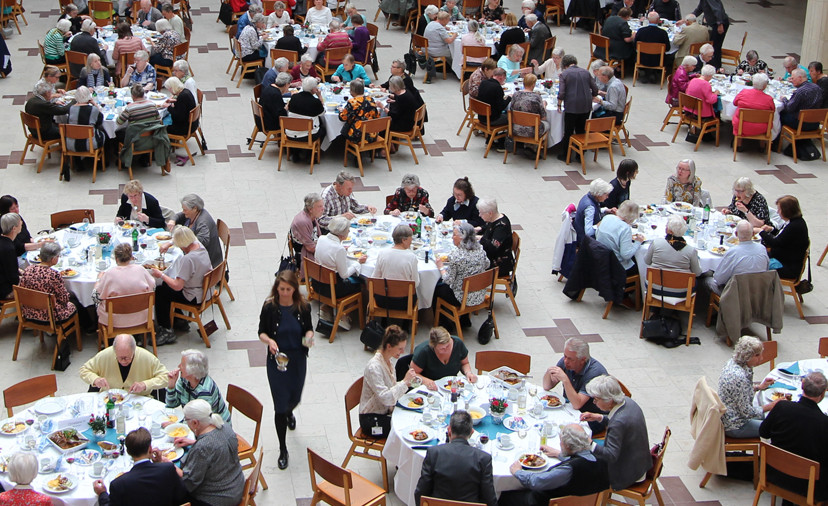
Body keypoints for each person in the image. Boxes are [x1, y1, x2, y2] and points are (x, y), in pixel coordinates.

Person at [258, 270, 314, 470]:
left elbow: (308, 327)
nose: (284, 293)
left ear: (294, 289)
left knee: (295, 396)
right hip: (278, 360)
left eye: (288, 289)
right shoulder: (269, 307)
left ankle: (290, 410)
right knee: (279, 405)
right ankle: (283, 448)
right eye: (281, 289)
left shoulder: (303, 306)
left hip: (297, 358)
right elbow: (262, 332)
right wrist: (270, 341)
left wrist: (309, 338)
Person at [154, 399, 244, 506]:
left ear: (195, 422)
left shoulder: (203, 447)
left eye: (186, 420)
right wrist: (193, 442)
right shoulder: (225, 426)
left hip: (218, 499)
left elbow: (188, 482)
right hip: (236, 484)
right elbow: (217, 445)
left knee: (165, 491)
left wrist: (168, 464)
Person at [499, 424, 610, 506]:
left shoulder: (568, 470)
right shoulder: (602, 461)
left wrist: (518, 471)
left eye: (561, 442)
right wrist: (559, 454)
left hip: (547, 503)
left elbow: (536, 482)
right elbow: (582, 461)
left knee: (503, 496)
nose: (560, 444)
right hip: (586, 503)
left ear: (568, 445)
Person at [759, 371, 828, 501]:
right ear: (823, 393)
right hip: (808, 487)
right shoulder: (824, 423)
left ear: (802, 386)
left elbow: (763, 432)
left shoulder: (782, 407)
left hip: (774, 474)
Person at [581, 375, 652, 491]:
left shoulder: (618, 423)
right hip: (639, 464)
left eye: (596, 399)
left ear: (609, 401)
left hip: (627, 473)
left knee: (581, 462)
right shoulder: (628, 402)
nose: (594, 402)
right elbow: (620, 422)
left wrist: (588, 443)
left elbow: (610, 455)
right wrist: (599, 417)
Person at [415, 410, 497, 506]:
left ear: (449, 430)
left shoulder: (434, 453)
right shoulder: (484, 459)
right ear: (471, 433)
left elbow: (420, 492)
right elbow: (490, 500)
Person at [93, 427, 188, 506]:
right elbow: (182, 496)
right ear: (150, 449)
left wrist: (102, 494)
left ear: (128, 452)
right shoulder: (168, 469)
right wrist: (159, 464)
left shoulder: (118, 484)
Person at [150, 226, 213, 343]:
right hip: (206, 291)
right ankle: (179, 319)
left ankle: (166, 330)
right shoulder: (199, 245)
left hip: (194, 296)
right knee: (166, 287)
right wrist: (169, 243)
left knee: (160, 291)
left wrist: (161, 275)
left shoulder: (188, 259)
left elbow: (177, 286)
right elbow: (184, 236)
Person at [360, 325, 418, 437]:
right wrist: (405, 382)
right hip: (371, 419)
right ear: (389, 346)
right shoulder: (374, 367)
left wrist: (408, 383)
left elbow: (392, 389)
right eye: (400, 348)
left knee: (414, 418)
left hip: (386, 412)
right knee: (406, 431)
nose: (402, 352)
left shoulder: (389, 362)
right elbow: (386, 398)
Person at [432, 222, 489, 330]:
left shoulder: (457, 256)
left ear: (462, 238)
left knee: (437, 288)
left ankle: (444, 324)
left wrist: (441, 268)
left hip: (463, 298)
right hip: (479, 293)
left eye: (454, 235)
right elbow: (487, 264)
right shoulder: (480, 249)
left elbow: (448, 280)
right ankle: (464, 320)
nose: (452, 237)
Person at [718, 336, 778, 438]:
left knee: (775, 418)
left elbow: (740, 393)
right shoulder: (738, 376)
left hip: (735, 416)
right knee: (777, 428)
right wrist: (770, 406)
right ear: (747, 356)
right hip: (736, 425)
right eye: (757, 355)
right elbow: (747, 412)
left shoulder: (734, 363)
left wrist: (759, 387)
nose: (761, 358)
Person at [92, 244, 157, 333]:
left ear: (116, 258)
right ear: (131, 257)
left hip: (115, 321)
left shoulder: (110, 274)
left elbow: (96, 297)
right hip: (141, 317)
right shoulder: (140, 270)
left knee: (98, 301)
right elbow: (152, 288)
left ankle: (95, 330)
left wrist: (98, 280)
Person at [543, 338, 609, 423]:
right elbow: (547, 386)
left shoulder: (594, 373)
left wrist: (565, 380)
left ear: (582, 360)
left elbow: (577, 404)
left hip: (591, 417)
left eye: (570, 359)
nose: (565, 361)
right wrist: (549, 372)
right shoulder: (566, 362)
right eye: (565, 356)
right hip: (569, 409)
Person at [315, 216, 365, 327]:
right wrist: (358, 263)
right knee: (359, 285)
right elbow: (344, 274)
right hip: (331, 288)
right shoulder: (339, 249)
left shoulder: (322, 238)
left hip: (317, 282)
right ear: (342, 234)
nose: (349, 232)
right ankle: (345, 314)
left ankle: (326, 307)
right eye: (348, 230)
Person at [80, 333, 168, 394]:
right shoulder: (105, 355)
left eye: (126, 358)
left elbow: (166, 377)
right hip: (109, 399)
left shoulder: (147, 357)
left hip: (138, 400)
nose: (123, 361)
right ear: (114, 351)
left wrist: (145, 384)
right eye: (120, 357)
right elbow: (84, 370)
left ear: (134, 350)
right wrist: (95, 379)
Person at [19, 241, 81, 325]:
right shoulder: (53, 275)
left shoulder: (28, 270)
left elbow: (22, 290)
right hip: (50, 316)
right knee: (77, 302)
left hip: (29, 312)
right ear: (53, 259)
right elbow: (64, 300)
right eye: (58, 256)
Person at [166, 349, 231, 423]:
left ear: (192, 370)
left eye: (182, 365)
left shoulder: (205, 392)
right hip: (194, 422)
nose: (179, 366)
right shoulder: (185, 379)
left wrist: (174, 424)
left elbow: (200, 424)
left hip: (216, 427)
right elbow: (172, 404)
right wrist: (171, 385)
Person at [705, 220, 769, 294]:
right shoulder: (762, 249)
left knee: (706, 280)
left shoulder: (733, 252)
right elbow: (766, 270)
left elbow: (719, 280)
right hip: (758, 292)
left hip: (736, 295)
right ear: (753, 234)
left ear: (736, 234)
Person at [557, 54, 599, 161]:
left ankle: (565, 155)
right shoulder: (585, 72)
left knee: (569, 131)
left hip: (571, 106)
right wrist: (593, 95)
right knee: (581, 130)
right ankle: (580, 155)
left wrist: (559, 104)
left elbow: (561, 92)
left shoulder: (564, 74)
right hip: (586, 105)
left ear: (564, 65)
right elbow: (595, 88)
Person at [759, 195, 809, 281]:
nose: (777, 212)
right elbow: (782, 236)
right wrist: (771, 229)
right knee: (757, 255)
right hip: (783, 258)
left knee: (753, 265)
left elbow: (775, 243)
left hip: (787, 266)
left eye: (779, 209)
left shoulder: (794, 226)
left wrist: (761, 232)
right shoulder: (794, 221)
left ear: (787, 211)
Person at [167, 194, 222, 268]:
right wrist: (173, 220)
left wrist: (178, 242)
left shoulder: (203, 222)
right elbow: (180, 215)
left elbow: (202, 241)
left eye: (185, 210)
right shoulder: (193, 214)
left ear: (195, 208)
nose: (183, 212)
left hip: (206, 263)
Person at [373, 224, 419, 308]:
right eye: (410, 238)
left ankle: (384, 319)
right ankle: (407, 321)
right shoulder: (411, 257)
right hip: (404, 302)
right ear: (404, 240)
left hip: (383, 300)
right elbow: (415, 283)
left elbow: (375, 278)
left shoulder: (382, 254)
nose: (411, 241)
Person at [596, 201, 644, 277]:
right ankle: (637, 287)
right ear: (632, 216)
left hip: (601, 260)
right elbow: (626, 255)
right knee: (641, 264)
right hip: (616, 267)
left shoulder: (607, 217)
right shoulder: (625, 228)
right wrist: (638, 242)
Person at [286, 77, 326, 159]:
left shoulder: (294, 98)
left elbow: (288, 108)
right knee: (323, 129)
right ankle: (310, 154)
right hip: (308, 136)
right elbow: (322, 113)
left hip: (290, 133)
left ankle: (295, 153)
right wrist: (319, 96)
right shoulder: (315, 102)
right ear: (313, 89)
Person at [731, 73, 774, 141]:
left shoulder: (743, 92)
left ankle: (739, 144)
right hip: (762, 128)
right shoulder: (769, 99)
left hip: (741, 126)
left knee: (737, 111)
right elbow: (773, 111)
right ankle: (762, 145)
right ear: (765, 86)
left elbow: (735, 103)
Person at [509, 73, 548, 144]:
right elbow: (543, 117)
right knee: (547, 124)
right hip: (532, 131)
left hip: (515, 128)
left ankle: (527, 146)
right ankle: (534, 146)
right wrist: (544, 105)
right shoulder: (536, 97)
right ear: (533, 84)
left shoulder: (516, 94)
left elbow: (512, 109)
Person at [478, 198, 513, 277]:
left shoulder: (501, 227)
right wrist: (479, 228)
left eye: (481, 213)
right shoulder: (495, 219)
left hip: (499, 264)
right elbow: (488, 228)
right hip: (493, 256)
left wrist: (480, 239)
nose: (479, 215)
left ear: (490, 213)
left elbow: (492, 248)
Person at [67, 85, 106, 155]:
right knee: (104, 133)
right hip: (90, 144)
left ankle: (76, 161)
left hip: (72, 144)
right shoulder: (93, 110)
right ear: (89, 97)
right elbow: (100, 121)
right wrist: (94, 104)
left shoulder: (71, 109)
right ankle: (101, 162)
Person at [338, 79, 380, 143]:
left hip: (357, 136)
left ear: (352, 91)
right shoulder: (370, 99)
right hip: (372, 135)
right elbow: (377, 115)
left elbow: (343, 118)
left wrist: (341, 111)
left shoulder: (352, 102)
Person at [384, 76, 419, 153]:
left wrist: (383, 108)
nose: (389, 87)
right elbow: (402, 105)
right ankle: (391, 144)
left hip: (404, 125)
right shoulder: (405, 92)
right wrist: (393, 101)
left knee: (383, 125)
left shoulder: (402, 98)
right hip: (409, 120)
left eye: (390, 86)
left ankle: (388, 148)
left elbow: (394, 114)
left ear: (395, 87)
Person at [634, 12, 672, 82]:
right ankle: (654, 73)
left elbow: (635, 45)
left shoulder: (641, 31)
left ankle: (647, 72)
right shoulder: (663, 33)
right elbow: (668, 48)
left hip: (642, 59)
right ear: (658, 20)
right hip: (658, 60)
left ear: (648, 19)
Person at [290, 192, 323, 272]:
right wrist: (326, 251)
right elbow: (310, 248)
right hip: (304, 255)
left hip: (313, 246)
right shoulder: (302, 222)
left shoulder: (312, 217)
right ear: (310, 209)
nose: (323, 209)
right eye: (319, 206)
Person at [691, 0, 728, 69]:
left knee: (715, 46)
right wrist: (692, 15)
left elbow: (717, 10)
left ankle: (716, 67)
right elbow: (700, 9)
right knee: (713, 45)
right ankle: (713, 65)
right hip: (714, 23)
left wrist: (720, 24)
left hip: (718, 24)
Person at [477, 68, 511, 144]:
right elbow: (501, 107)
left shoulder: (484, 83)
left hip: (481, 116)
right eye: (504, 78)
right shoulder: (497, 88)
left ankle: (490, 140)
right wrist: (509, 98)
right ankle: (502, 142)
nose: (504, 80)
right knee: (513, 117)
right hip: (492, 119)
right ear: (501, 77)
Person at [574, 179, 612, 244]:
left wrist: (606, 210)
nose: (607, 197)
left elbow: (595, 211)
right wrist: (600, 223)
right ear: (598, 194)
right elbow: (588, 232)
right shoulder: (590, 208)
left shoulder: (587, 197)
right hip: (585, 242)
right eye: (606, 194)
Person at [423, 11, 457, 80]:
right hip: (434, 51)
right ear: (444, 19)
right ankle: (455, 70)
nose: (448, 22)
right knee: (454, 52)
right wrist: (455, 35)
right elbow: (449, 41)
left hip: (425, 48)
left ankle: (449, 67)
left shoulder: (431, 23)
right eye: (448, 20)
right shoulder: (440, 28)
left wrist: (444, 27)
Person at [0, 213, 21, 299]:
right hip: (4, 291)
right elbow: (13, 278)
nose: (22, 223)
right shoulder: (9, 249)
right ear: (14, 228)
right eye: (20, 222)